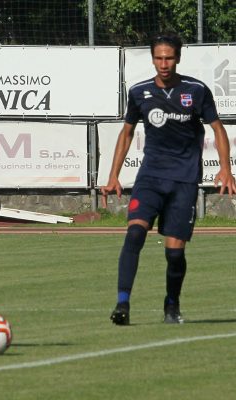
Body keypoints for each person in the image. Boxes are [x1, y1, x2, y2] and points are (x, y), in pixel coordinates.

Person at [101, 33, 236, 325]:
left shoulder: (196, 90)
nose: (164, 63)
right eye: (159, 58)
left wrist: (226, 168)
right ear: (152, 59)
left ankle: (172, 304)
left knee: (175, 253)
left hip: (184, 182)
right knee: (134, 233)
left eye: (169, 57)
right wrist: (113, 175)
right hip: (150, 177)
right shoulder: (139, 93)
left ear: (178, 57)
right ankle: (122, 305)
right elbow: (126, 134)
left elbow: (218, 129)